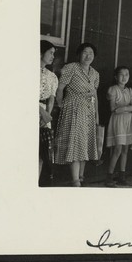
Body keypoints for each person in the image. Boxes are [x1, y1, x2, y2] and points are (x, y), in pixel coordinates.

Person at [54, 43, 100, 187]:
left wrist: (97, 114)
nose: (88, 56)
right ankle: (75, 180)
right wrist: (60, 104)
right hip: (73, 108)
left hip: (88, 111)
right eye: (85, 53)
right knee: (76, 142)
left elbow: (94, 94)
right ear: (79, 54)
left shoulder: (95, 73)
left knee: (85, 143)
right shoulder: (71, 68)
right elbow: (60, 88)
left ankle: (81, 176)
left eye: (91, 53)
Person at [104, 66, 132, 187]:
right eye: (121, 74)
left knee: (125, 149)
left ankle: (122, 176)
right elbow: (113, 109)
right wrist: (128, 108)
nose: (124, 77)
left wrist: (123, 108)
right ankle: (109, 177)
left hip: (128, 121)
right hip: (118, 121)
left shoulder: (129, 90)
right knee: (117, 149)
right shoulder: (113, 89)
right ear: (116, 77)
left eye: (127, 74)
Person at [39, 40, 58, 181]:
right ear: (41, 52)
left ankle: (36, 180)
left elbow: (51, 98)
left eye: (54, 54)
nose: (52, 56)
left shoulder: (52, 76)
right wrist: (42, 112)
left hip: (45, 117)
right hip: (30, 112)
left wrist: (47, 116)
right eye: (50, 53)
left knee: (42, 152)